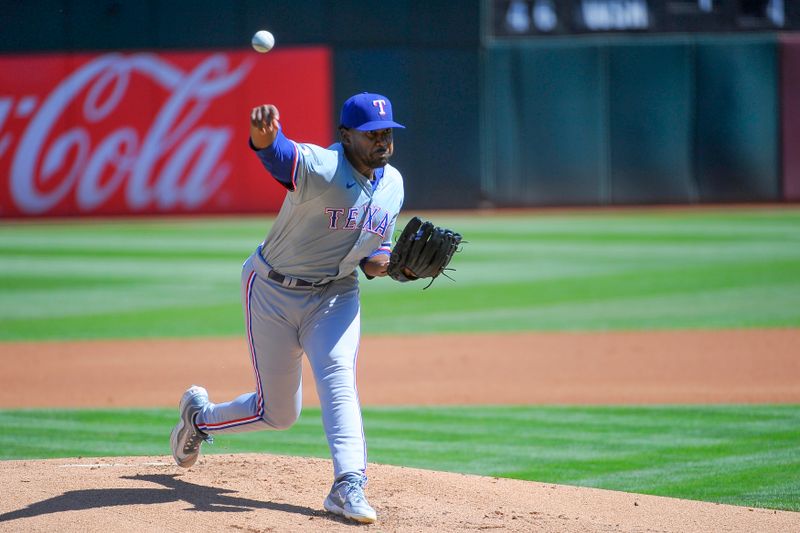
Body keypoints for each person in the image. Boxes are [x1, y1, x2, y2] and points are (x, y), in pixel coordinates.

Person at [170, 92, 408, 524]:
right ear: (346, 135)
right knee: (278, 414)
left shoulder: (394, 184)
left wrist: (397, 268)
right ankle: (200, 421)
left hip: (336, 294)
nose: (382, 141)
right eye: (372, 134)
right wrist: (264, 140)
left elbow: (374, 257)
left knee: (337, 375)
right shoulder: (322, 166)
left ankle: (348, 484)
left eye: (387, 132)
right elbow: (281, 158)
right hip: (272, 292)